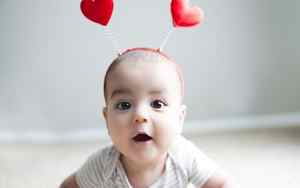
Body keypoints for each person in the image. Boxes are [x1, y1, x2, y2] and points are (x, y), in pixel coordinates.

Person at [59, 48, 233, 188]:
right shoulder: (102, 166)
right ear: (107, 119)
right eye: (124, 105)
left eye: (157, 104)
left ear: (179, 119)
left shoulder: (183, 155)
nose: (140, 116)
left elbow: (221, 184)